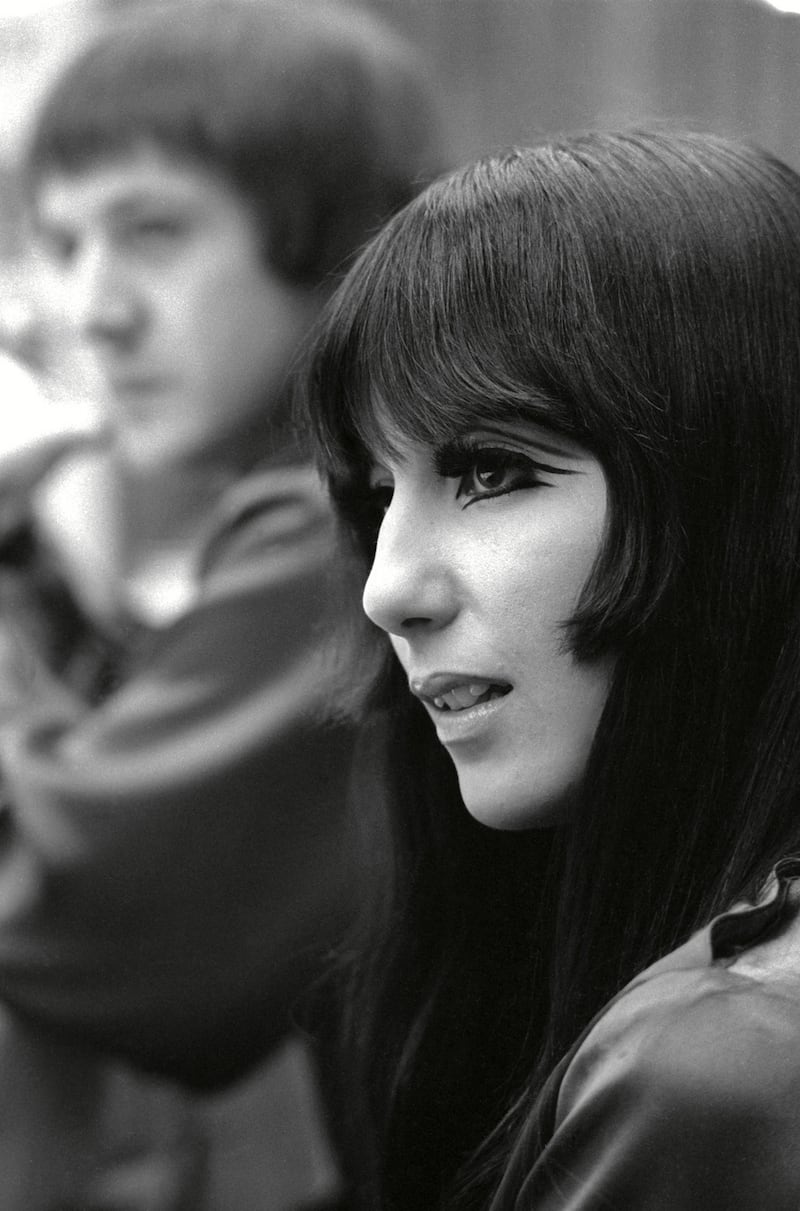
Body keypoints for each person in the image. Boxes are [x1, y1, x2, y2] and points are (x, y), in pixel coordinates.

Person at [299, 128, 800, 1210]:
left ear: (740, 491)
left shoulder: (725, 1062)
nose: (388, 590)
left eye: (490, 470)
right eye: (376, 491)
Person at [0, 2, 439, 1207]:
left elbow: (84, 917)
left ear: (342, 239)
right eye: (63, 245)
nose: (93, 310)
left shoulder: (353, 515)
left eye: (150, 233)